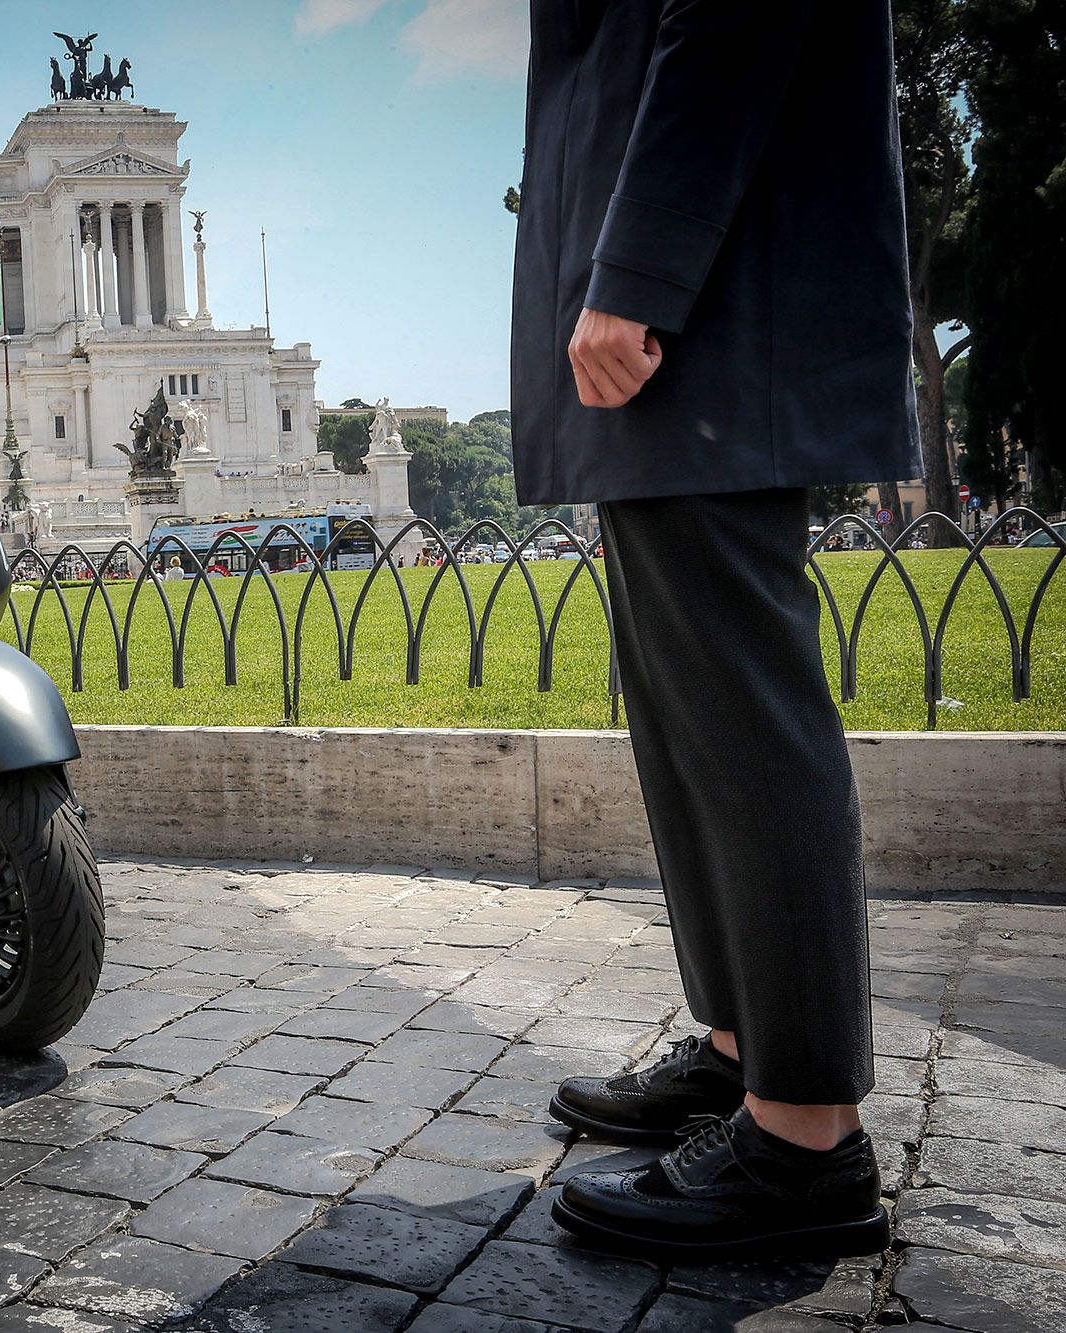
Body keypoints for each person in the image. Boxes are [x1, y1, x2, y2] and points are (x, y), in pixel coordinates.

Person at [512, 1, 917, 1259]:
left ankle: (802, 1136)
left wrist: (635, 271)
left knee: (737, 714)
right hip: (673, 287)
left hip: (704, 291)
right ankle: (747, 1046)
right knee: (687, 710)